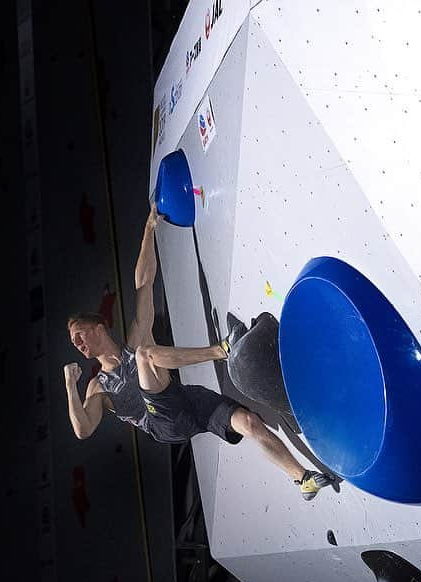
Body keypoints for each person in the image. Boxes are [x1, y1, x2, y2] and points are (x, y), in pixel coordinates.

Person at [62, 202, 333, 501]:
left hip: (185, 400)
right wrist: (70, 386)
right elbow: (83, 429)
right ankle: (222, 349)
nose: (76, 344)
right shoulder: (98, 386)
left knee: (249, 423)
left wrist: (148, 229)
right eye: (74, 342)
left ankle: (302, 479)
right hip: (161, 422)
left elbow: (144, 283)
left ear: (98, 327)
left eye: (78, 335)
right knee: (146, 355)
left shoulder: (135, 336)